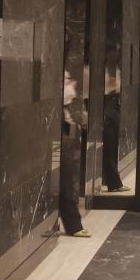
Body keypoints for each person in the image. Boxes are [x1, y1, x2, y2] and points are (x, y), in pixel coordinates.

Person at [59, 70, 91, 237]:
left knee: (66, 179)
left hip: (63, 133)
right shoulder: (58, 73)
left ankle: (73, 225)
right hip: (58, 136)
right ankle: (73, 225)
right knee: (65, 179)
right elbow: (67, 94)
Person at [102, 70, 128, 192]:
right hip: (106, 117)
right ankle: (114, 183)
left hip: (111, 115)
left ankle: (111, 182)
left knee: (111, 150)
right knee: (109, 151)